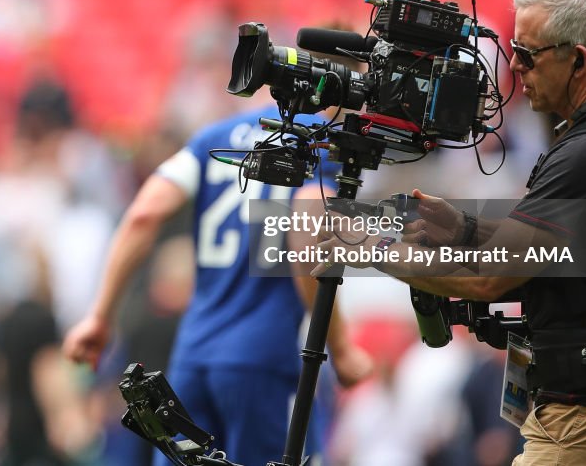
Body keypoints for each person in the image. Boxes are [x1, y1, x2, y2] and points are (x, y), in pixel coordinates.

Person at [321, 0, 586, 465]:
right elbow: (566, 248)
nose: (515, 67)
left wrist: (368, 247)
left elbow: (487, 278)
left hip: (585, 422)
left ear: (579, 60)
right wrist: (465, 229)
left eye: (528, 53)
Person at [64, 102, 373, 466]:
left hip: (192, 358)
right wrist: (339, 347)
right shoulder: (320, 139)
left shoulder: (212, 137)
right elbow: (304, 228)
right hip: (261, 358)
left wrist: (99, 317)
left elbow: (144, 214)